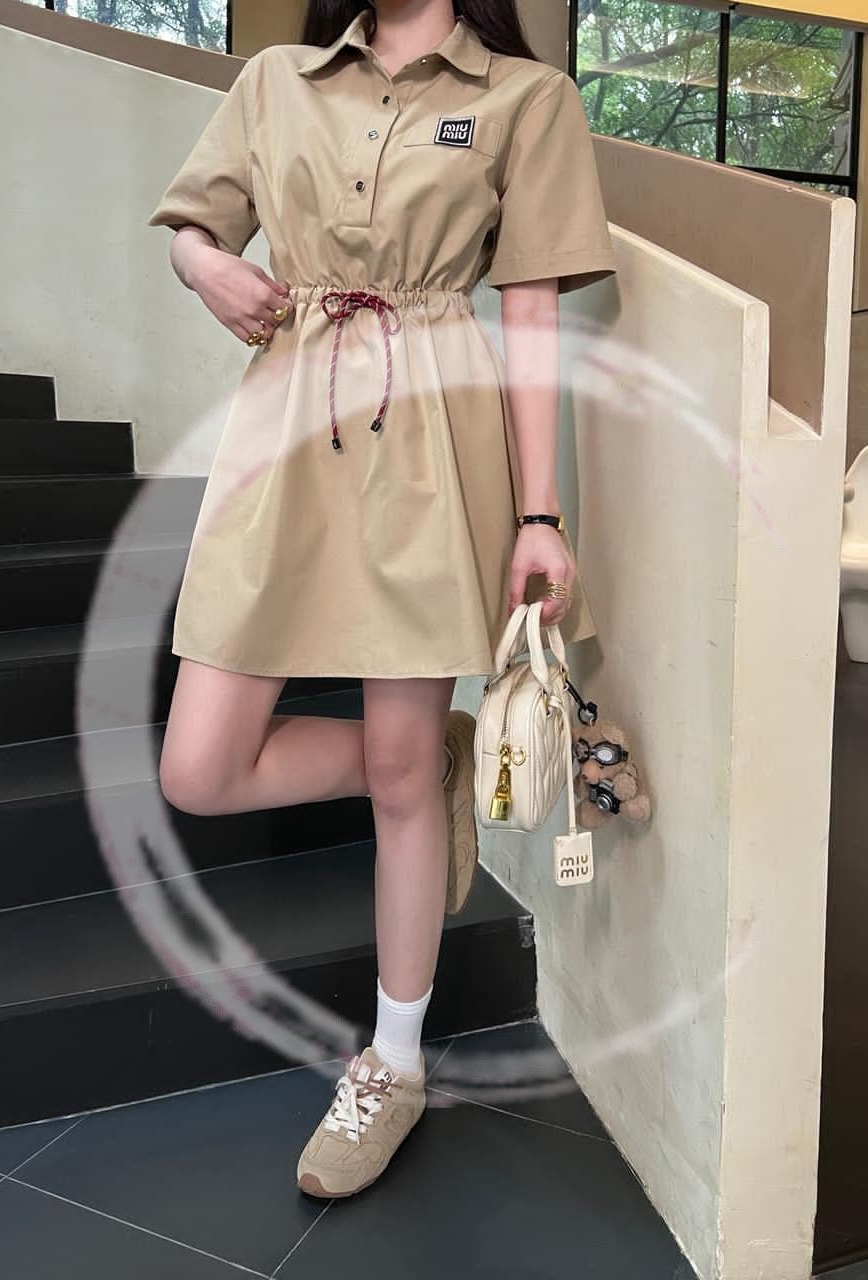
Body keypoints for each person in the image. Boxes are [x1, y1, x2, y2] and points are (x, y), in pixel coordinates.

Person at [146, 0, 617, 1199]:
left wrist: (541, 513)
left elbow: (528, 314)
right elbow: (194, 224)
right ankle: (428, 763)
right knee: (200, 767)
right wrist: (206, 265)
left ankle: (392, 1061)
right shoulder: (277, 80)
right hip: (286, 428)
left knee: (400, 775)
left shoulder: (527, 98)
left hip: (430, 436)